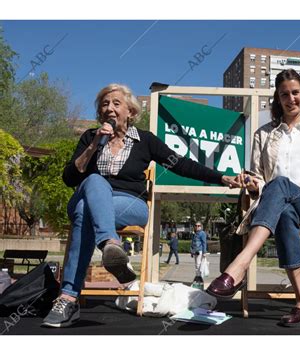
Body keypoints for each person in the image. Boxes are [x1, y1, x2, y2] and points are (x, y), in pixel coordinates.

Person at [42, 83, 239, 328]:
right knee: (92, 185)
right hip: (89, 200)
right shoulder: (90, 138)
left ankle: (68, 298)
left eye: (116, 103)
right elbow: (70, 178)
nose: (109, 109)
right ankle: (110, 245)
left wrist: (220, 177)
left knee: (85, 212)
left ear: (131, 112)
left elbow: (181, 164)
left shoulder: (144, 141)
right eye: (104, 104)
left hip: (129, 205)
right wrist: (94, 145)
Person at [206, 69, 300, 327]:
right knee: (284, 211)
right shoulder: (263, 134)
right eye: (284, 94)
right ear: (277, 99)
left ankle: (238, 266)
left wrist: (295, 190)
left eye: (295, 93)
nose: (291, 99)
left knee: (281, 185)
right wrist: (252, 182)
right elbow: (257, 175)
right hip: (277, 209)